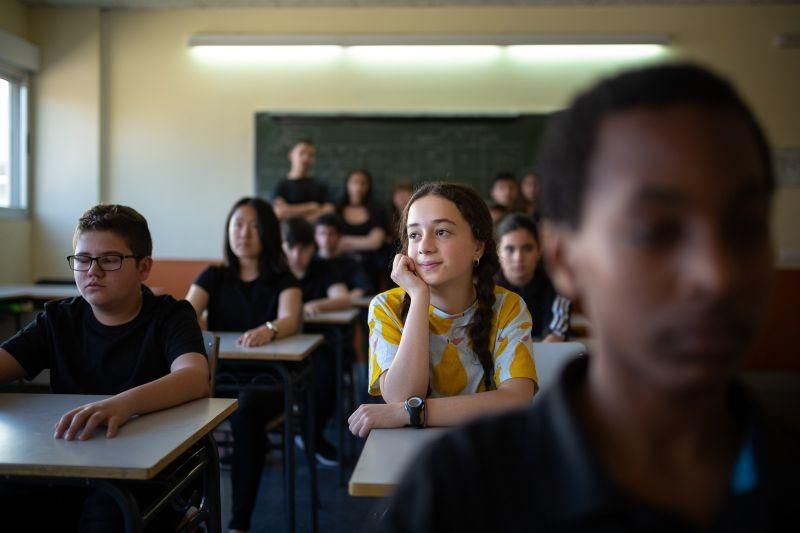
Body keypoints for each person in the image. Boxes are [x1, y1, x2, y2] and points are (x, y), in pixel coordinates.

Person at [374, 64, 799, 532]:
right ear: (564, 258)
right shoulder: (457, 494)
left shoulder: (784, 472)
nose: (716, 276)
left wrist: (408, 413)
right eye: (654, 231)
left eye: (744, 226)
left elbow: (511, 396)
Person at [0, 204, 209, 531]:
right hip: (70, 460)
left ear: (143, 268)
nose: (92, 271)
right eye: (82, 260)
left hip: (151, 469)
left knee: (104, 514)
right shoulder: (59, 319)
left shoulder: (169, 316)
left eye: (110, 259)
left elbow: (194, 376)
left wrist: (123, 404)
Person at [348, 182, 537, 438]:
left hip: (488, 446)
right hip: (409, 451)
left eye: (442, 232)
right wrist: (418, 297)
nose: (424, 246)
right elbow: (401, 397)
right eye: (414, 235)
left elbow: (516, 399)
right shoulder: (386, 306)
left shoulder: (508, 307)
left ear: (478, 247)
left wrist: (413, 413)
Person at [185, 197, 302, 533]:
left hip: (268, 380)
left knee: (246, 413)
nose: (244, 233)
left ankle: (239, 522)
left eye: (253, 226)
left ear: (268, 232)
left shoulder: (283, 277)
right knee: (181, 407)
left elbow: (290, 318)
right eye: (237, 224)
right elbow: (186, 314)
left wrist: (269, 330)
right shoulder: (214, 275)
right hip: (221, 376)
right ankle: (186, 507)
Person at [282, 216, 351, 465]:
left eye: (303, 249)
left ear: (313, 248)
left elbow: (343, 298)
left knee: (328, 376)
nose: (296, 255)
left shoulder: (322, 267)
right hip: (278, 344)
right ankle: (301, 431)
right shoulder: (277, 269)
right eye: (291, 248)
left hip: (313, 343)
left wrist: (316, 304)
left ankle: (313, 437)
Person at [496, 213, 571, 342]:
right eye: (510, 249)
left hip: (545, 357)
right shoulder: (484, 286)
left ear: (539, 250)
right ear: (498, 251)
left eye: (527, 248)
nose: (518, 258)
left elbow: (556, 333)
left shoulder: (555, 283)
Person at [335, 169, 390, 291]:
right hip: (341, 264)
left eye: (363, 183)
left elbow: (375, 242)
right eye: (355, 182)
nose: (359, 187)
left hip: (370, 265)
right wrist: (364, 242)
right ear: (347, 184)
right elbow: (333, 242)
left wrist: (345, 241)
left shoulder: (377, 210)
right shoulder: (337, 209)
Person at [270, 139, 334, 222]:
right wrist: (311, 207)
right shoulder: (281, 186)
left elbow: (329, 210)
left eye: (311, 155)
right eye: (302, 153)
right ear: (290, 155)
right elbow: (279, 212)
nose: (306, 158)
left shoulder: (320, 185)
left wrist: (291, 210)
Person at [315, 212, 372, 302]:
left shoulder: (351, 263)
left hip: (345, 311)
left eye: (331, 234)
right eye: (322, 233)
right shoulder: (310, 263)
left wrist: (341, 302)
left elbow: (362, 288)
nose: (326, 239)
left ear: (339, 236)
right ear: (315, 236)